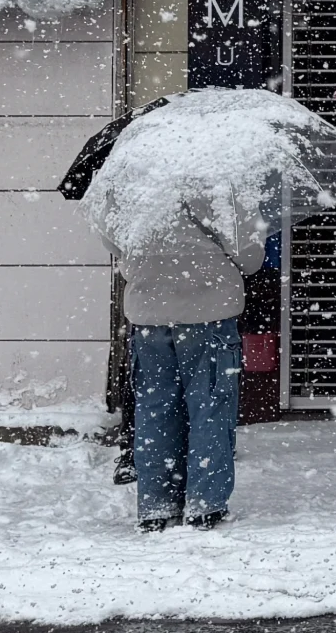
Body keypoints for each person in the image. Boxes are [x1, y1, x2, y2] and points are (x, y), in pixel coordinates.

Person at [108, 200, 266, 529]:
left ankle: (157, 505)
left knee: (155, 409)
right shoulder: (219, 183)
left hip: (149, 314)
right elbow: (251, 259)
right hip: (209, 312)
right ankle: (205, 504)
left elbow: (114, 243)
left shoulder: (131, 186)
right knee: (211, 407)